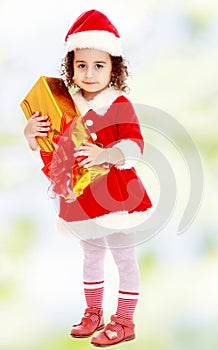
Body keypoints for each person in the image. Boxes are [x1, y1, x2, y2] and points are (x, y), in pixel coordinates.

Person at [24, 9, 152, 347]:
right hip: (82, 196)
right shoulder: (65, 104)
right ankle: (93, 312)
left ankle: (124, 320)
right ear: (71, 67)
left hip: (117, 194)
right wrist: (31, 134)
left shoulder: (119, 103)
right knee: (92, 255)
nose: (89, 73)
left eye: (99, 65)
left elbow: (135, 146)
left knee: (124, 257)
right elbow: (53, 151)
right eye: (81, 65)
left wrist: (105, 155)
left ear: (114, 67)